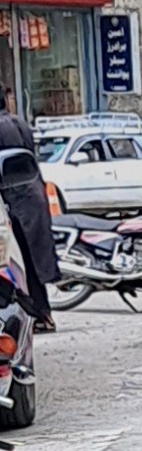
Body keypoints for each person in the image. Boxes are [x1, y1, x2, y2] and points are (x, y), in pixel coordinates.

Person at [0, 90, 57, 331]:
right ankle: (41, 314)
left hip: (16, 202)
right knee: (30, 262)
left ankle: (33, 316)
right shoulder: (18, 121)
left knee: (18, 262)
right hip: (33, 196)